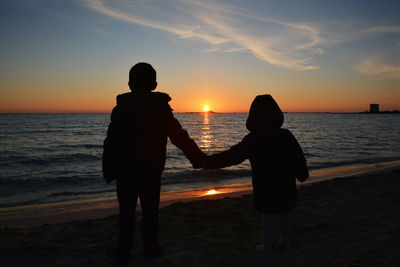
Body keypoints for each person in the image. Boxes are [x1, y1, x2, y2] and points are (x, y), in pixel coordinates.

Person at [102, 62, 206, 261]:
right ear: (155, 83)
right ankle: (150, 246)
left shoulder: (121, 108)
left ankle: (124, 249)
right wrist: (197, 157)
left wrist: (108, 169)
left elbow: (110, 141)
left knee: (126, 211)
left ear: (130, 83)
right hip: (151, 169)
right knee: (150, 210)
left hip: (126, 169)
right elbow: (178, 136)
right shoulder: (159, 107)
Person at [203, 94, 309, 256]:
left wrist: (207, 162)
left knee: (269, 216)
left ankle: (267, 248)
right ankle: (286, 241)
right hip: (285, 183)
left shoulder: (254, 138)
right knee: (285, 213)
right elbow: (298, 156)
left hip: (265, 185)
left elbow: (232, 156)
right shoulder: (286, 135)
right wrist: (302, 173)